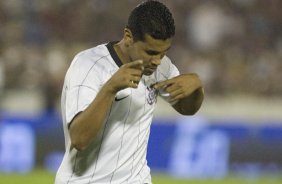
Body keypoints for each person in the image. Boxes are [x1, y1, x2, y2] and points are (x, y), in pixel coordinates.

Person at [55, 1, 204, 183]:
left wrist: (197, 87)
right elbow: (79, 139)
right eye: (150, 52)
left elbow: (186, 109)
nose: (157, 61)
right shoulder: (88, 65)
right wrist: (110, 89)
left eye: (163, 53)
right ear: (128, 37)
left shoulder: (159, 67)